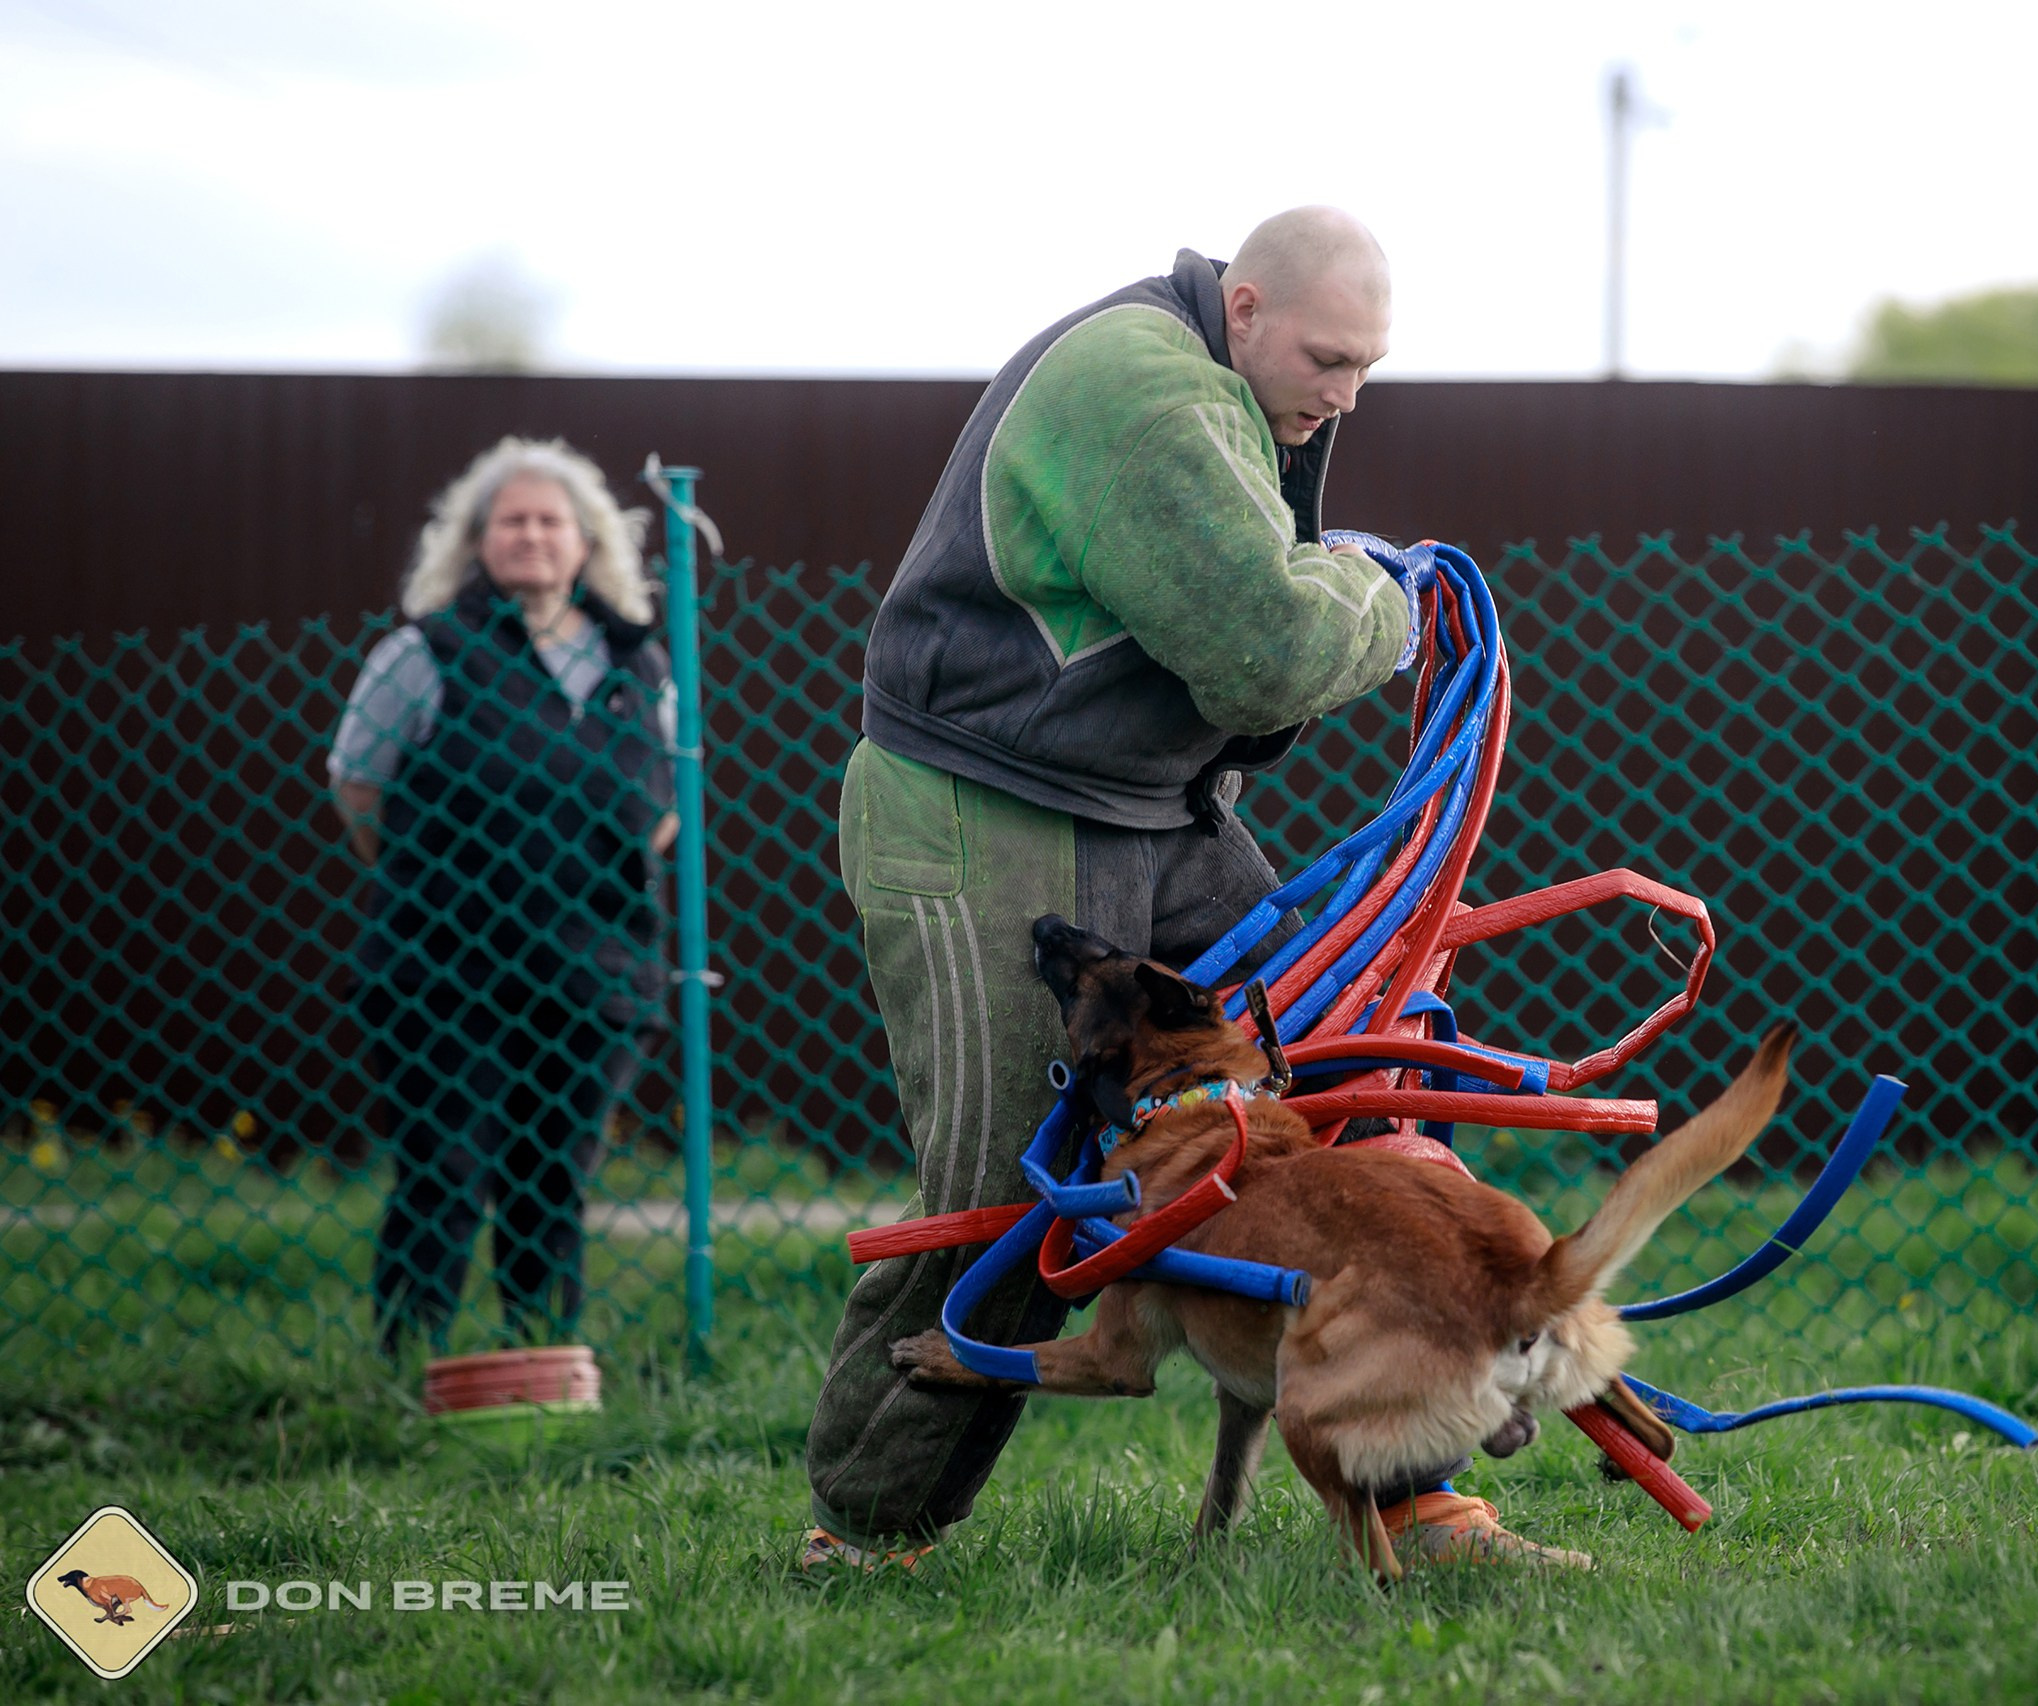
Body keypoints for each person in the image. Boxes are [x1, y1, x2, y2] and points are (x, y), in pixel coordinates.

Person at [803, 208, 1588, 1571]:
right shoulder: (1144, 390)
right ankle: (869, 1525)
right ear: (1245, 306)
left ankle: (1415, 1485)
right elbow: (1268, 653)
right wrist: (1384, 598)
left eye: (1369, 366)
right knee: (1015, 1186)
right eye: (1330, 358)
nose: (1349, 393)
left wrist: (1332, 588)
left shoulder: (1249, 388)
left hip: (1154, 804)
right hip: (983, 797)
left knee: (1351, 1088)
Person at [330, 437, 677, 1355]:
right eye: (511, 521)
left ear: (586, 542)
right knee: (444, 1171)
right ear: (476, 541)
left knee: (551, 1177)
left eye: (550, 521)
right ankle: (407, 1363)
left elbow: (663, 806)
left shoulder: (638, 664)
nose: (531, 535)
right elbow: (359, 787)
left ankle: (541, 1360)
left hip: (593, 976)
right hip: (444, 974)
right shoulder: (425, 652)